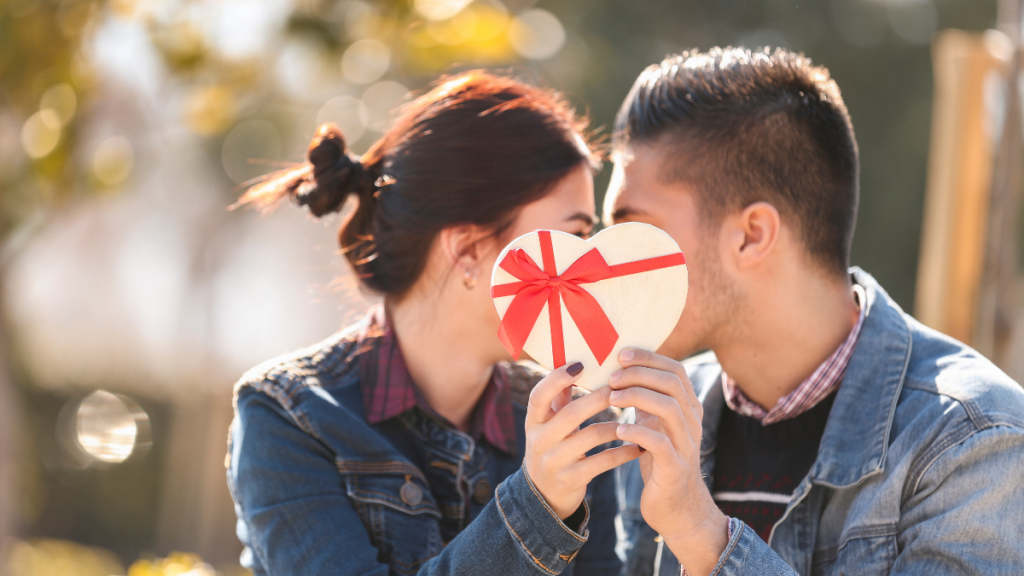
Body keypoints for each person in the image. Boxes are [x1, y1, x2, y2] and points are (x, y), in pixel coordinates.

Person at [602, 47, 1024, 575]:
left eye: (632, 229)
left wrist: (702, 536)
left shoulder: (973, 443)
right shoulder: (654, 415)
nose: (602, 261)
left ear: (752, 235)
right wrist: (542, 506)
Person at [225, 72, 640, 576]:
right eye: (569, 239)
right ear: (466, 250)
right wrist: (538, 506)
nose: (588, 269)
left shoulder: (578, 418)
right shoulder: (291, 415)